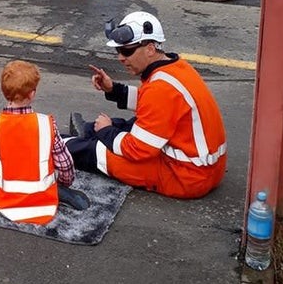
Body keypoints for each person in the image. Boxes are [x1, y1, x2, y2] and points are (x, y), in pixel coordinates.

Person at [65, 11, 227, 199]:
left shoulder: (160, 88)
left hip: (184, 176)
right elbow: (152, 106)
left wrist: (106, 132)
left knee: (97, 152)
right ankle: (88, 131)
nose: (121, 58)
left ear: (150, 49)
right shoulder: (177, 67)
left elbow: (137, 150)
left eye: (127, 51)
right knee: (126, 124)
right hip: (205, 168)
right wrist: (113, 89)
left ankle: (58, 144)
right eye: (118, 51)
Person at [0, 60, 88, 225]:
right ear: (32, 94)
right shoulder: (46, 123)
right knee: (50, 174)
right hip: (43, 202)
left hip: (5, 200)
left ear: (4, 91)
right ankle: (56, 193)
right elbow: (65, 164)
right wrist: (63, 183)